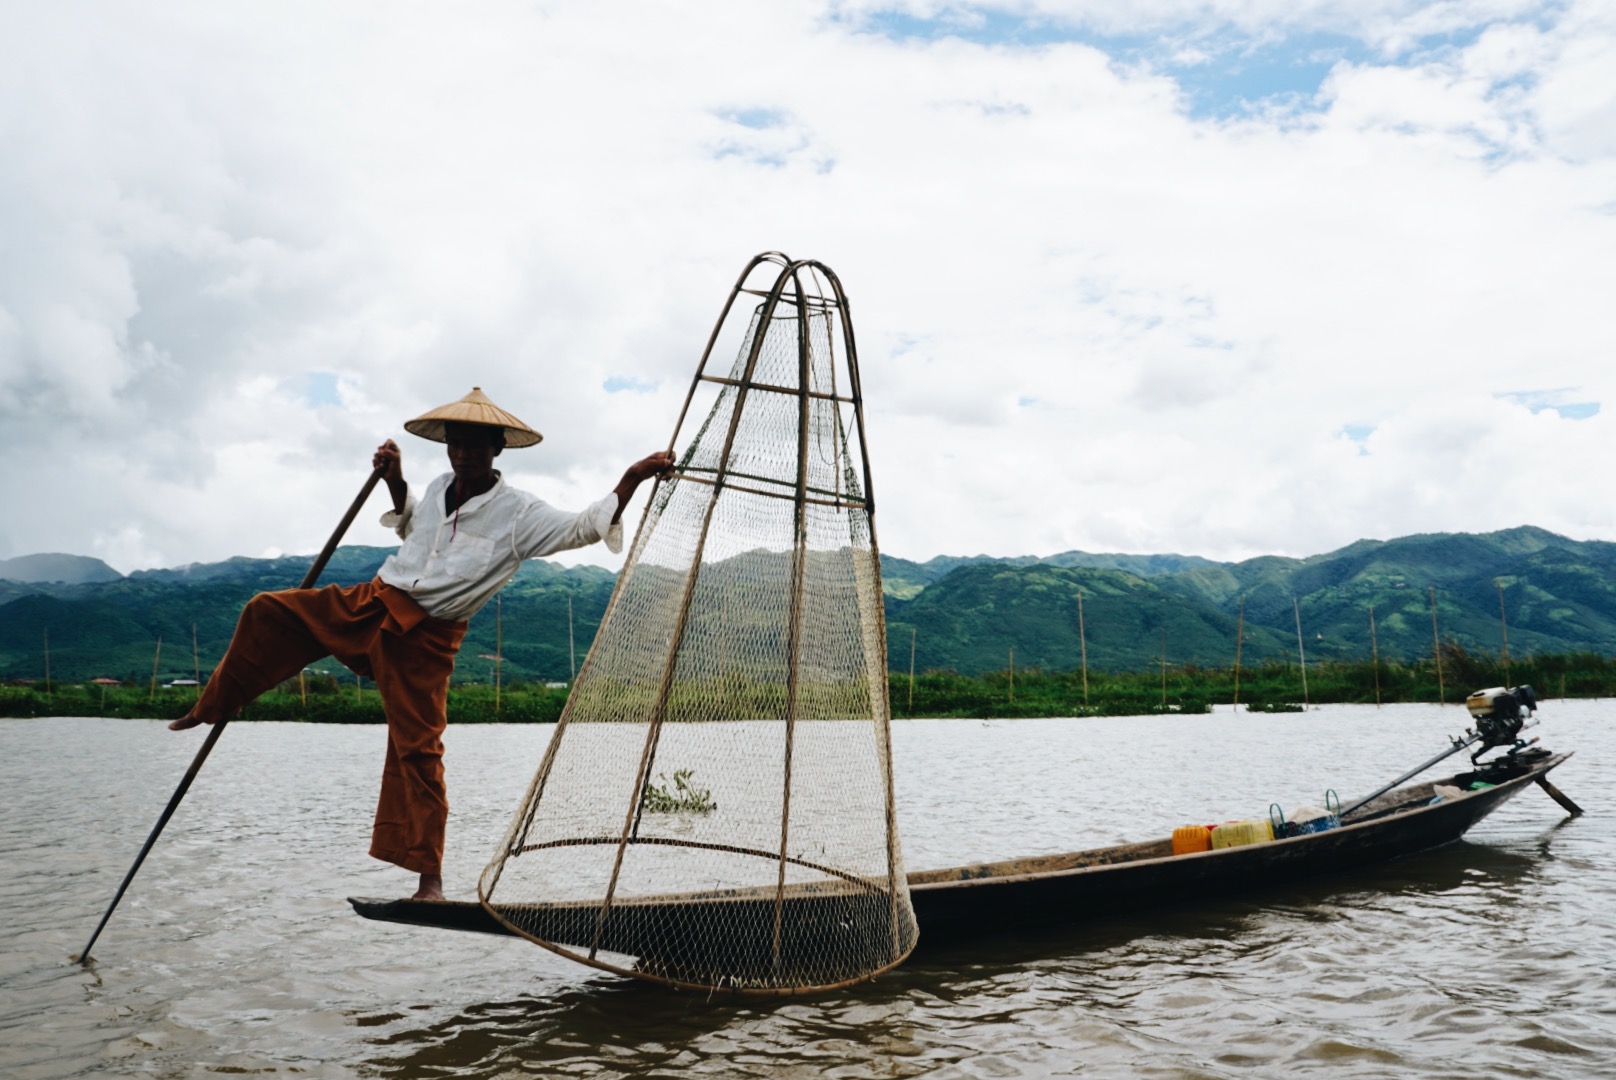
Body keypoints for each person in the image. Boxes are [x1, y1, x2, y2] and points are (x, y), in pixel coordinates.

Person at [169, 387, 674, 900]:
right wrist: (395, 481)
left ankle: (428, 880)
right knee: (266, 610)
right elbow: (413, 527)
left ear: (497, 450)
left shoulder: (519, 513)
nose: (464, 454)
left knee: (419, 753)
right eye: (456, 444)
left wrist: (630, 479)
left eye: (476, 446)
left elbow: (582, 528)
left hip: (424, 639)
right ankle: (212, 704)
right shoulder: (436, 488)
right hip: (373, 601)